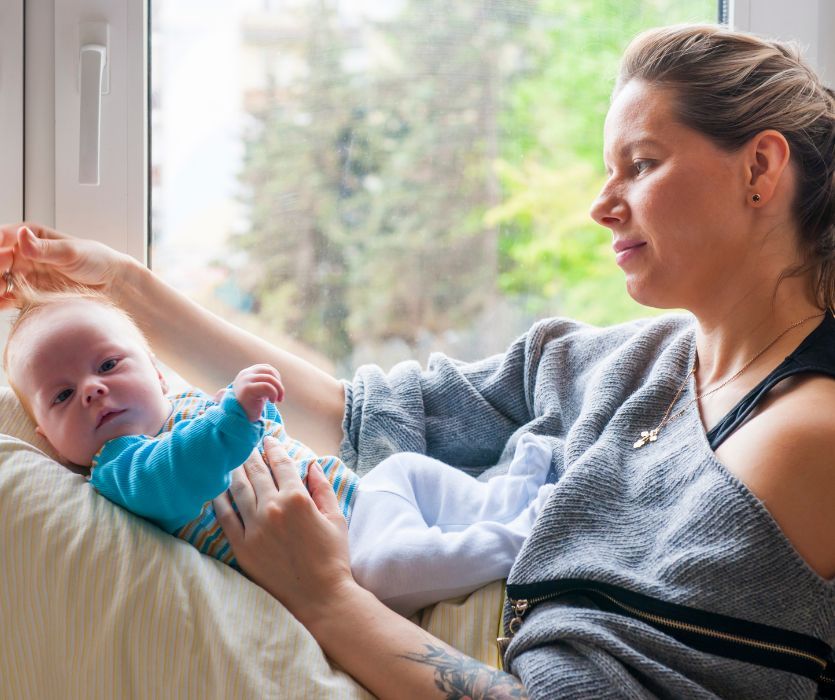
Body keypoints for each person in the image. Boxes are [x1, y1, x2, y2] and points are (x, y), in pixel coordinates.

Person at [2, 21, 834, 699]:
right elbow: (347, 414)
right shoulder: (621, 364)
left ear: (759, 169)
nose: (599, 204)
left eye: (640, 165)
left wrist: (321, 593)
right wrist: (123, 288)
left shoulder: (800, 441)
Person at [3, 288, 554, 616]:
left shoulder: (192, 404)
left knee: (405, 470)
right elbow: (181, 473)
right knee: (397, 567)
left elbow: (268, 436)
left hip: (358, 498)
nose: (92, 391)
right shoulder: (120, 467)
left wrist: (255, 410)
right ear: (49, 440)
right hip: (352, 564)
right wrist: (235, 417)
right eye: (62, 395)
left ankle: (504, 493)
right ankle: (523, 533)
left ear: (155, 370)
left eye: (107, 366)